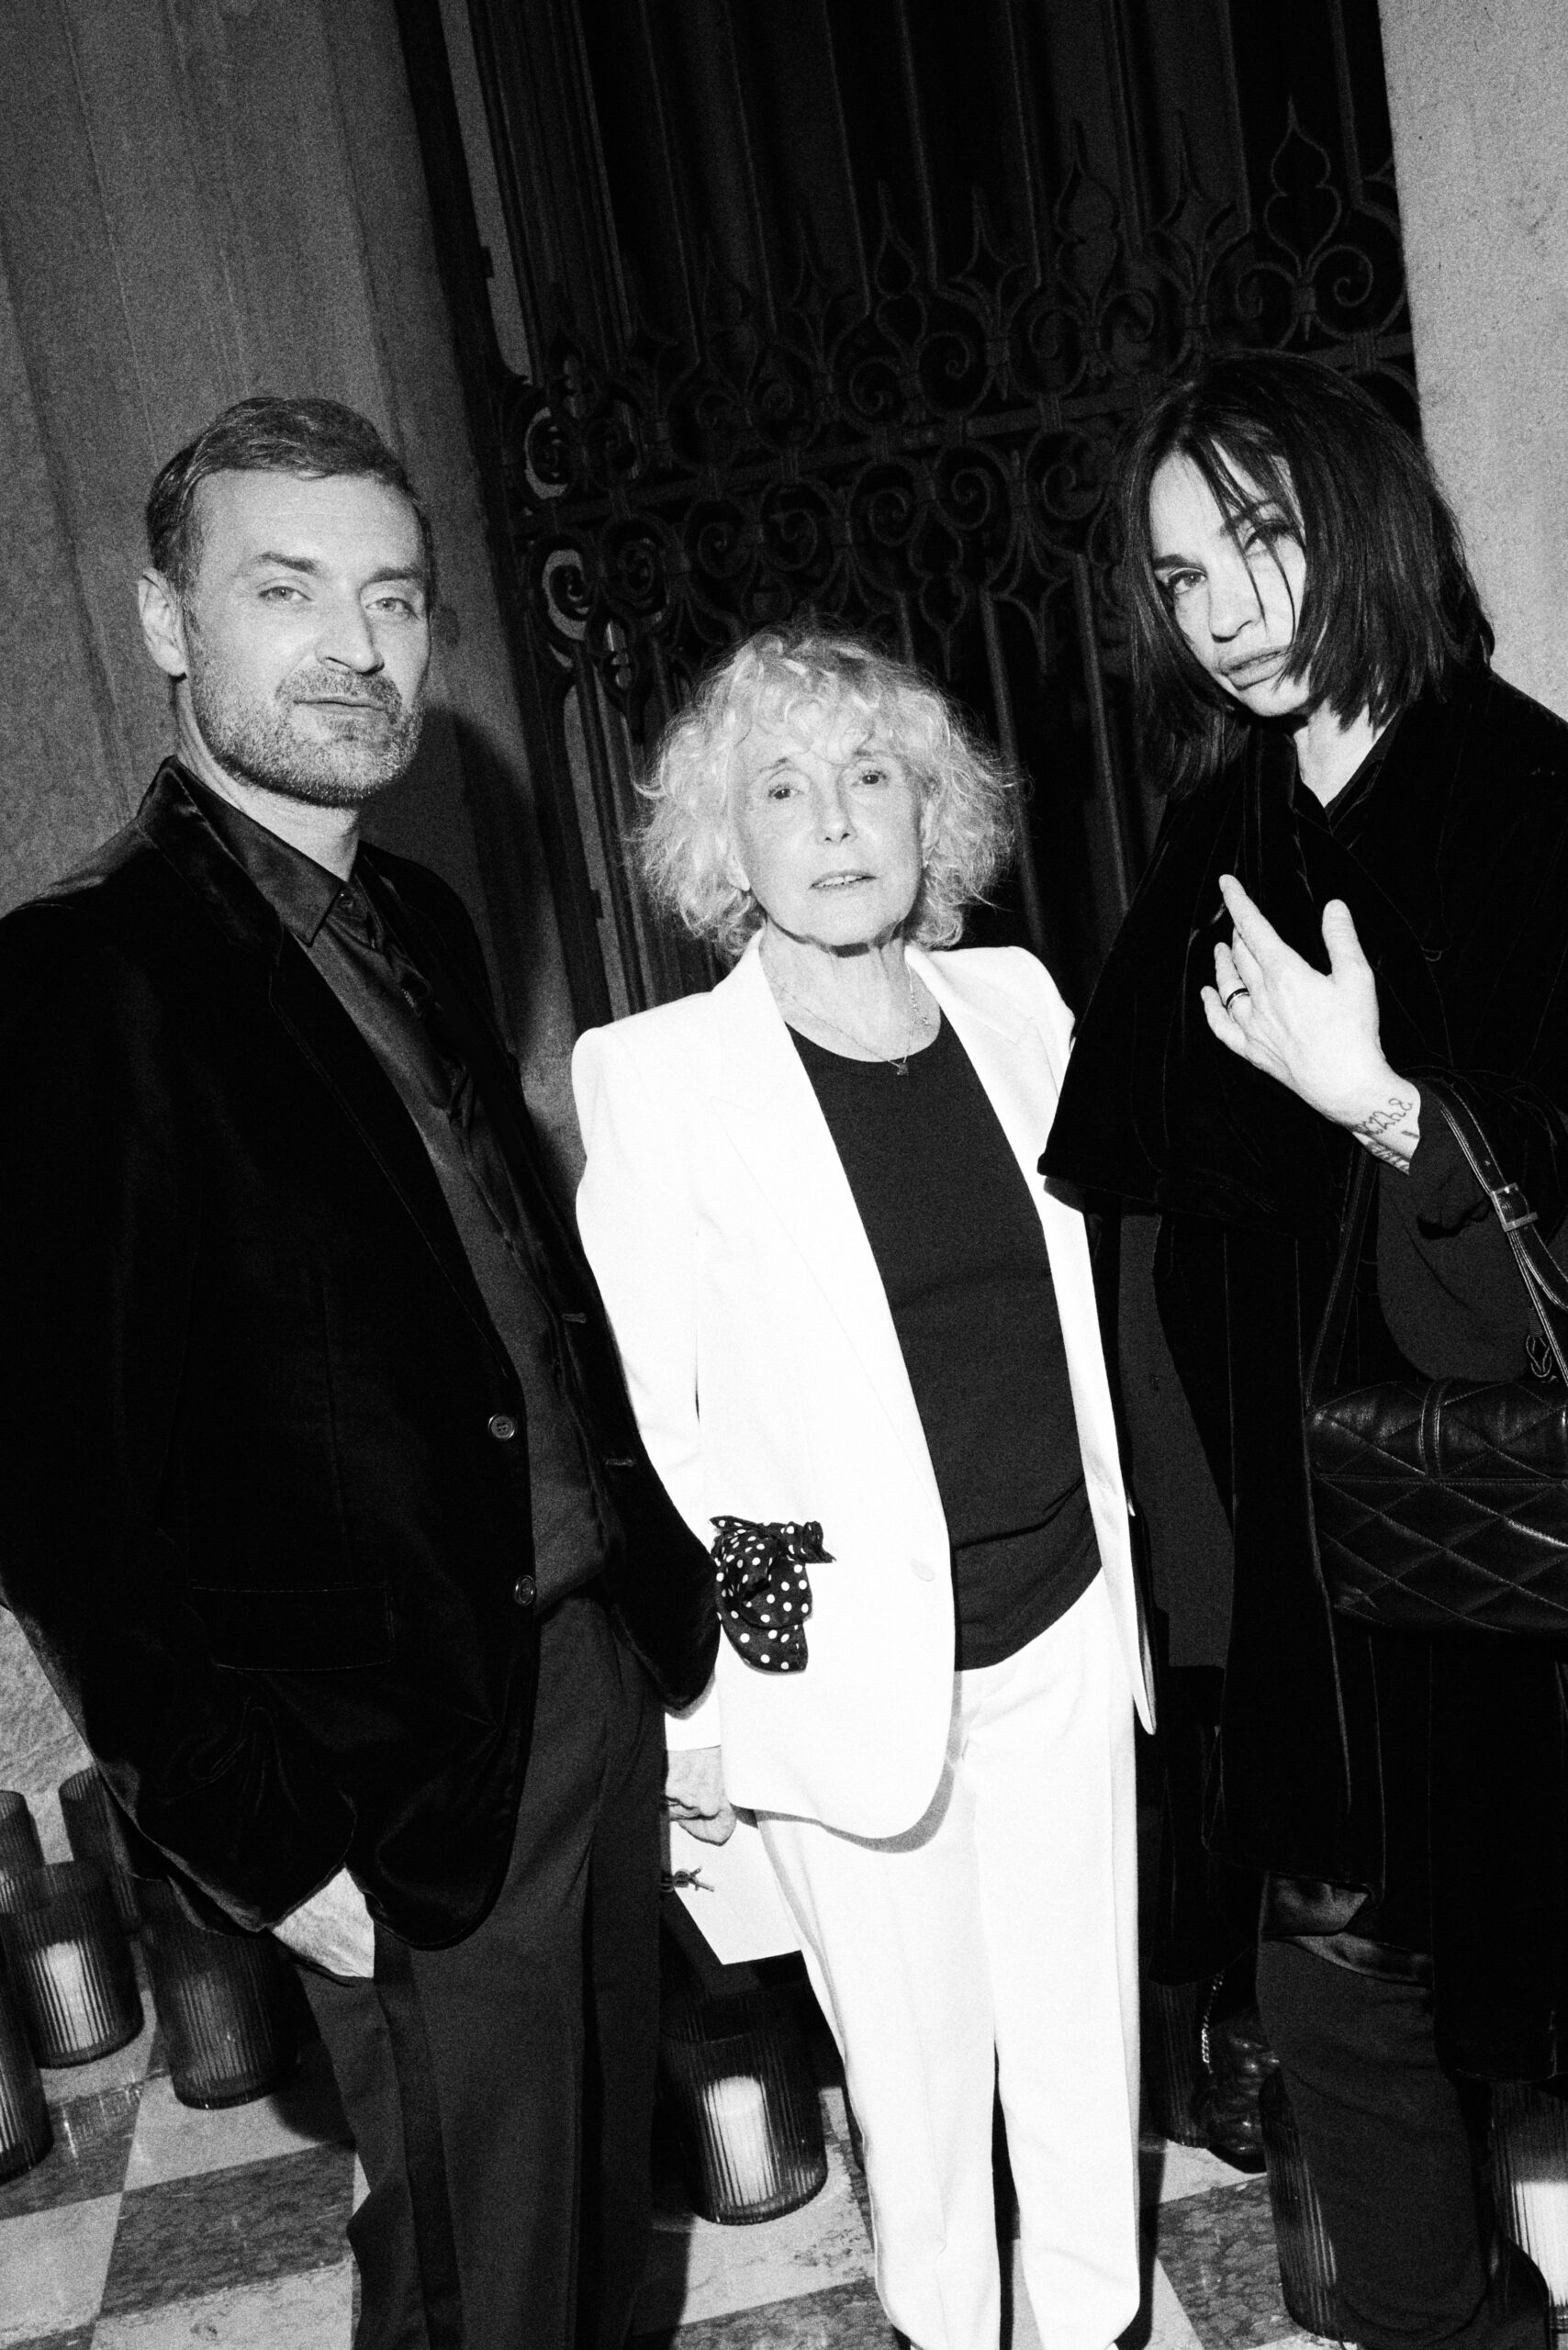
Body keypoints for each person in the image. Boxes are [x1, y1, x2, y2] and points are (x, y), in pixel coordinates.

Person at [0, 395, 715, 2350]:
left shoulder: (417, 913)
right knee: (483, 2289)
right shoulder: (82, 978)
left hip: (582, 1681)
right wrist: (254, 1829)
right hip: (388, 1773)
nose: (356, 645)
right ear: (166, 621)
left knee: (587, 2252)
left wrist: (645, 1621)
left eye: (394, 598)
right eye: (287, 590)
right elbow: (57, 1491)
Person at [1044, 350, 1568, 2350]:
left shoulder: (1533, 802)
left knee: (1522, 1988)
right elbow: (1146, 1230)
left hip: (1507, 1561)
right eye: (1182, 575)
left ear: (1358, 514)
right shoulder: (1213, 833)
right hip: (1299, 1571)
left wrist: (1391, 1108)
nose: (1225, 607)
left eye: (1255, 539)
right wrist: (1195, 1598)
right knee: (1339, 2012)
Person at [571, 626, 1154, 2350]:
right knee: (918, 2088)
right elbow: (653, 1432)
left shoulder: (1020, 1005)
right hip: (840, 1674)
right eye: (781, 788)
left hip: (1062, 1617)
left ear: (930, 812)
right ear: (724, 843)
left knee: (1084, 2045)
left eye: (871, 776)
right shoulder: (658, 1077)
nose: (834, 821)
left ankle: (1099, 2322)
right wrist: (713, 1709)